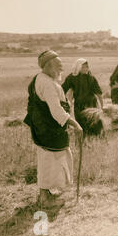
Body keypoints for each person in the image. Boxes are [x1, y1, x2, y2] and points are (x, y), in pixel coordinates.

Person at [23, 50, 83, 208]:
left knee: (49, 161)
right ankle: (45, 199)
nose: (61, 68)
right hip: (48, 130)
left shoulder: (42, 78)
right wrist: (75, 124)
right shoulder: (47, 84)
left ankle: (46, 194)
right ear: (48, 66)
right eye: (58, 65)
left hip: (44, 129)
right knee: (49, 161)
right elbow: (56, 111)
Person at [62, 58, 103, 136]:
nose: (85, 69)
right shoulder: (72, 77)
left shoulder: (91, 78)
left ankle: (96, 140)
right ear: (78, 67)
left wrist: (102, 106)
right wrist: (65, 102)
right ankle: (84, 141)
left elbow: (98, 93)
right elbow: (63, 89)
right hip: (79, 104)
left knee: (94, 123)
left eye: (87, 67)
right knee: (81, 124)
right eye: (83, 67)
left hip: (91, 104)